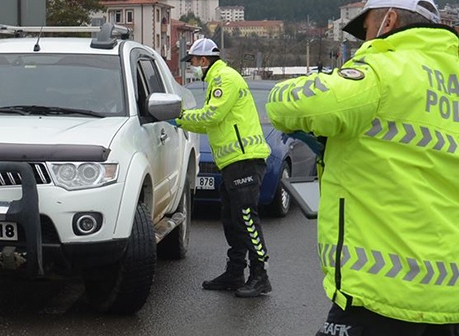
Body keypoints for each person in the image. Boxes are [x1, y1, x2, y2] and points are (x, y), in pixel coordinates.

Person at [266, 0, 459, 333]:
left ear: (389, 20)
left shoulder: (383, 70)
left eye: (367, 28)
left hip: (382, 296)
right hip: (448, 300)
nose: (363, 41)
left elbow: (287, 106)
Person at [176, 38, 272, 298]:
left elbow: (211, 115)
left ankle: (260, 276)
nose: (192, 66)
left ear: (204, 61)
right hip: (232, 162)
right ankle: (235, 272)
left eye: (194, 61)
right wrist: (180, 122)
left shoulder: (224, 79)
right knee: (231, 219)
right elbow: (208, 123)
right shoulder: (215, 81)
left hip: (245, 159)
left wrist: (178, 116)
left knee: (246, 218)